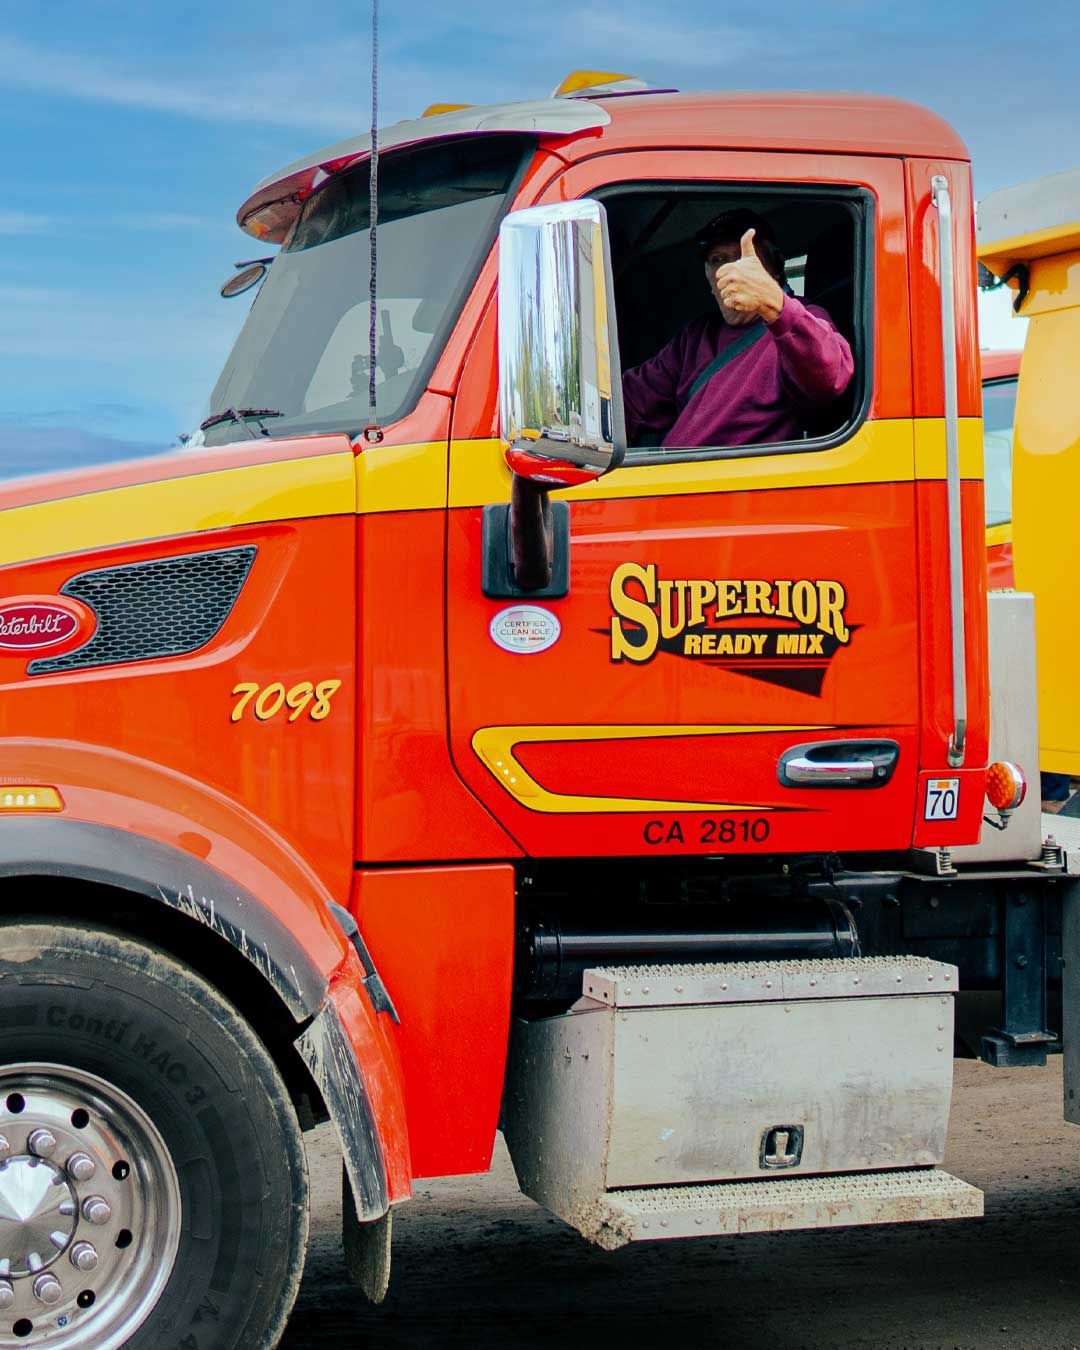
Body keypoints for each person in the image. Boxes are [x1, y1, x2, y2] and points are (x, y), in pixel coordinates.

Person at [621, 209, 855, 449]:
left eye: (742, 260)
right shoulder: (696, 336)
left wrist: (773, 303)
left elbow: (830, 378)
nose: (730, 272)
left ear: (773, 269)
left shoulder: (804, 320)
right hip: (669, 479)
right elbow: (633, 399)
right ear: (709, 279)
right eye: (718, 260)